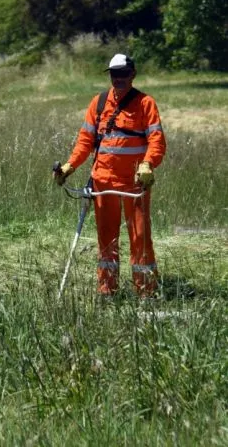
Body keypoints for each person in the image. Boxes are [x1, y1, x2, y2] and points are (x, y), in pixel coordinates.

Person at [53, 54, 166, 298]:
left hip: (134, 183)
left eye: (123, 74)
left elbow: (156, 139)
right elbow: (85, 141)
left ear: (133, 75)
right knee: (106, 238)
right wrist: (69, 167)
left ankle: (145, 293)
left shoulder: (145, 103)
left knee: (140, 237)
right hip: (103, 181)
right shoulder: (99, 102)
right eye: (114, 74)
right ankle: (107, 291)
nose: (119, 79)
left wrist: (148, 164)